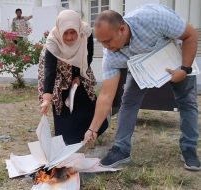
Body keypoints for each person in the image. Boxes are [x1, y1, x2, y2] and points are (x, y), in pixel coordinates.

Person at [84, 4, 200, 171]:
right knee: (128, 103)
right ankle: (121, 149)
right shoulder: (110, 57)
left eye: (108, 41)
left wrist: (184, 69)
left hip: (175, 61)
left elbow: (191, 35)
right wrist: (92, 129)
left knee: (187, 103)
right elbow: (106, 96)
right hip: (142, 69)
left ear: (122, 29)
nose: (105, 47)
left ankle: (189, 148)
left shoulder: (154, 18)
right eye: (101, 42)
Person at [38, 10, 108, 145]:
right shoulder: (53, 42)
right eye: (66, 33)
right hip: (58, 70)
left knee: (82, 96)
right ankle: (69, 135)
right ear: (60, 31)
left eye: (73, 32)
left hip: (79, 68)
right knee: (66, 134)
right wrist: (46, 99)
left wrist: (77, 75)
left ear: (78, 29)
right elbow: (49, 70)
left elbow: (87, 56)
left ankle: (92, 130)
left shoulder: (85, 33)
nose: (69, 37)